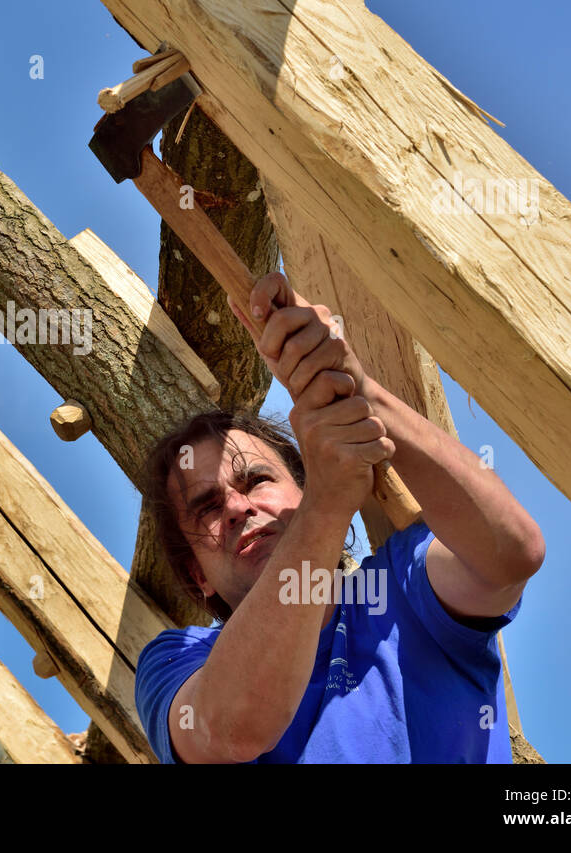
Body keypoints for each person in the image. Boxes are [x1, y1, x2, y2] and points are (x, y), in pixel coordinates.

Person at [134, 272, 545, 763]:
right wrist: (328, 504)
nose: (240, 508)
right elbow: (228, 730)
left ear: (300, 489)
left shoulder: (402, 588)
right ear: (197, 575)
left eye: (257, 480)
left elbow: (513, 553)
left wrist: (361, 391)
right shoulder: (176, 661)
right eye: (208, 508)